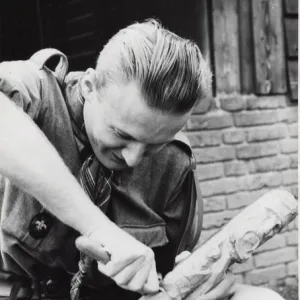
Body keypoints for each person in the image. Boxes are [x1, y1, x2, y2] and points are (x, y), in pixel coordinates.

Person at [0, 20, 284, 300]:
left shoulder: (176, 163)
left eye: (154, 145)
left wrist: (178, 280)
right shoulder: (33, 95)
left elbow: (161, 272)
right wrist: (97, 226)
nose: (133, 159)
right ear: (89, 86)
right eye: (121, 134)